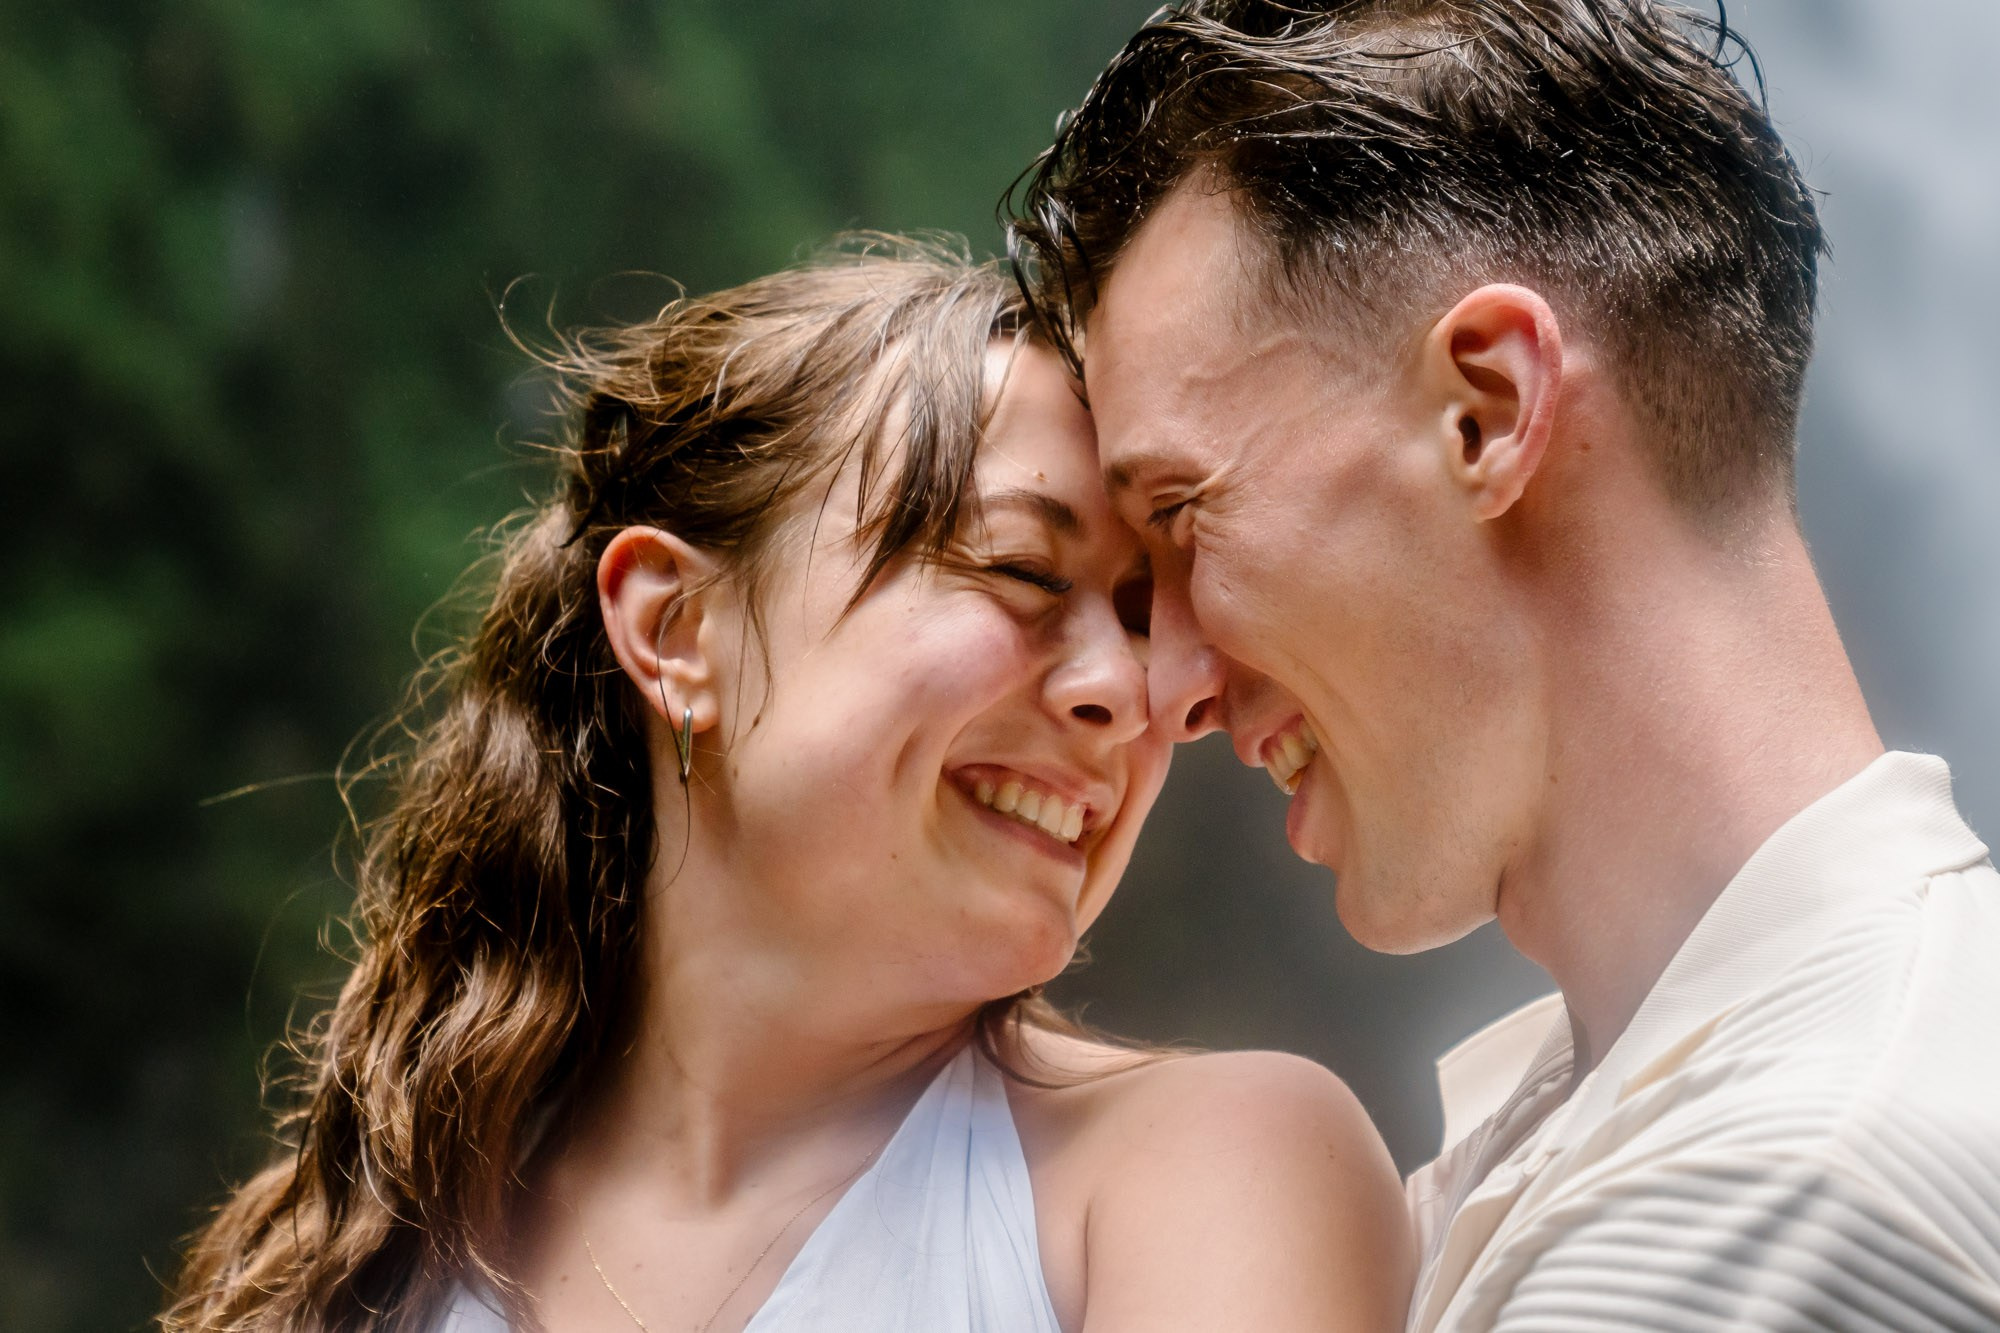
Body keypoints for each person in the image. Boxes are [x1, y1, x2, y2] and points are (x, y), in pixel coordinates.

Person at [164, 240, 1410, 1333]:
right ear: (676, 625)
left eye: (1141, 621)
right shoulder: (357, 1253)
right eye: (1024, 570)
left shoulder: (1205, 1170)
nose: (1127, 692)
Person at [1010, 1, 2000, 1329]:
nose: (1171, 682)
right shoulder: (1613, 1103)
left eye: (1183, 512)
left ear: (1486, 412)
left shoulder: (1774, 1190)